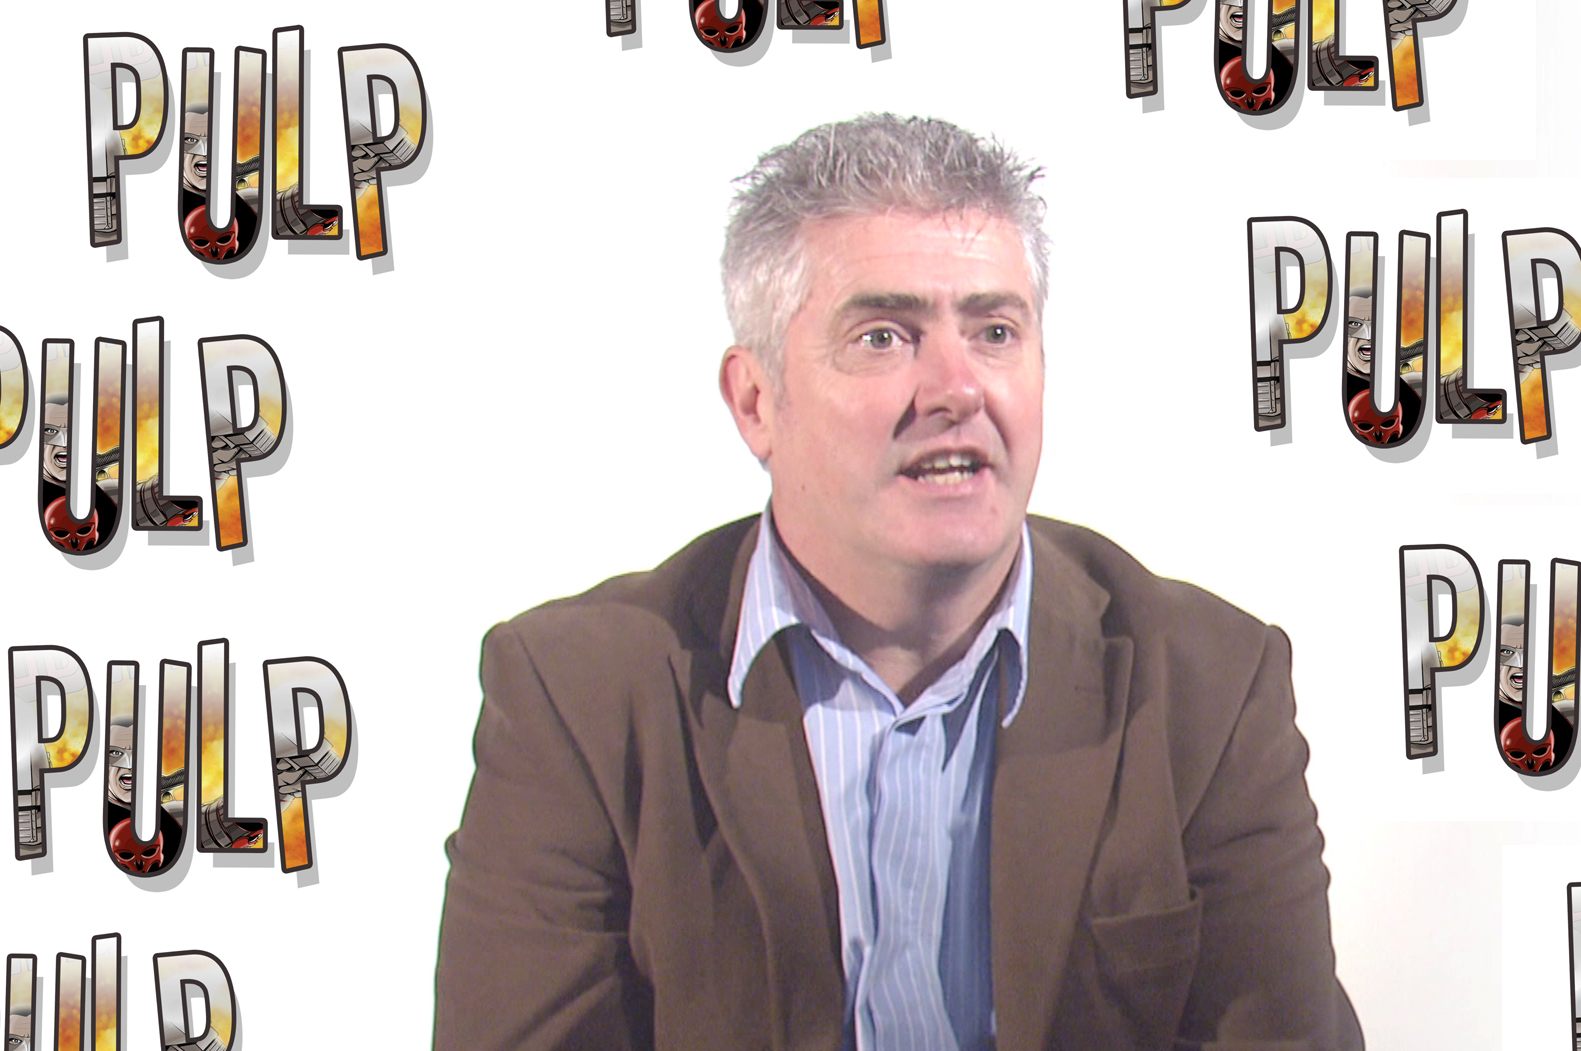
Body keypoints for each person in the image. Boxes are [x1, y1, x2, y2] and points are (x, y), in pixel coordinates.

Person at [433, 113, 1362, 1051]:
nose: (957, 387)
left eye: (995, 330)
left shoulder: (1209, 685)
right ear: (755, 401)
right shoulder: (577, 697)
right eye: (883, 337)